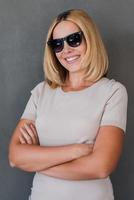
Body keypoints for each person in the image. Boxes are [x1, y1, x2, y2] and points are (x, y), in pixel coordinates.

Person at [9, 9, 128, 200]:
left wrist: (37, 161)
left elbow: (100, 167)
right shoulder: (41, 92)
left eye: (74, 39)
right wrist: (76, 150)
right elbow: (15, 157)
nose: (66, 50)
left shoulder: (113, 92)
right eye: (57, 44)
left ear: (90, 38)